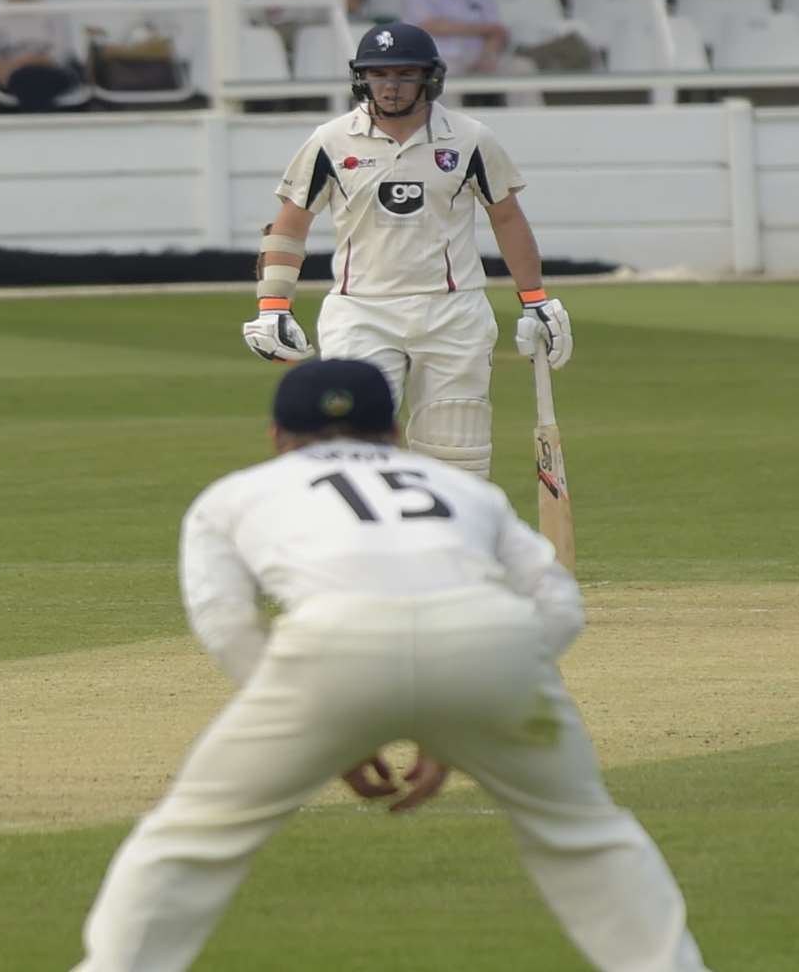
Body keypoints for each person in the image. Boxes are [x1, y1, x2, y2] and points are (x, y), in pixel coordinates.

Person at [74, 359, 712, 972]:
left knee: (187, 840)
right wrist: (473, 707)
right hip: (490, 645)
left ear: (276, 437)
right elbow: (558, 604)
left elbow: (227, 622)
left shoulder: (233, 495)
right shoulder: (464, 488)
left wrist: (320, 715)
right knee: (588, 836)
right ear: (396, 433)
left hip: (333, 647)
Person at [241, 22, 573, 479]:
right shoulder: (330, 141)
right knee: (348, 444)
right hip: (361, 310)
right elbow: (290, 223)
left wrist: (535, 300)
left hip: (453, 310)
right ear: (362, 78)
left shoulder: (471, 138)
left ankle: (446, 548)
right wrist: (273, 305)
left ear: (429, 77)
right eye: (379, 75)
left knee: (456, 453)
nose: (391, 86)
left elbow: (507, 217)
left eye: (404, 74)